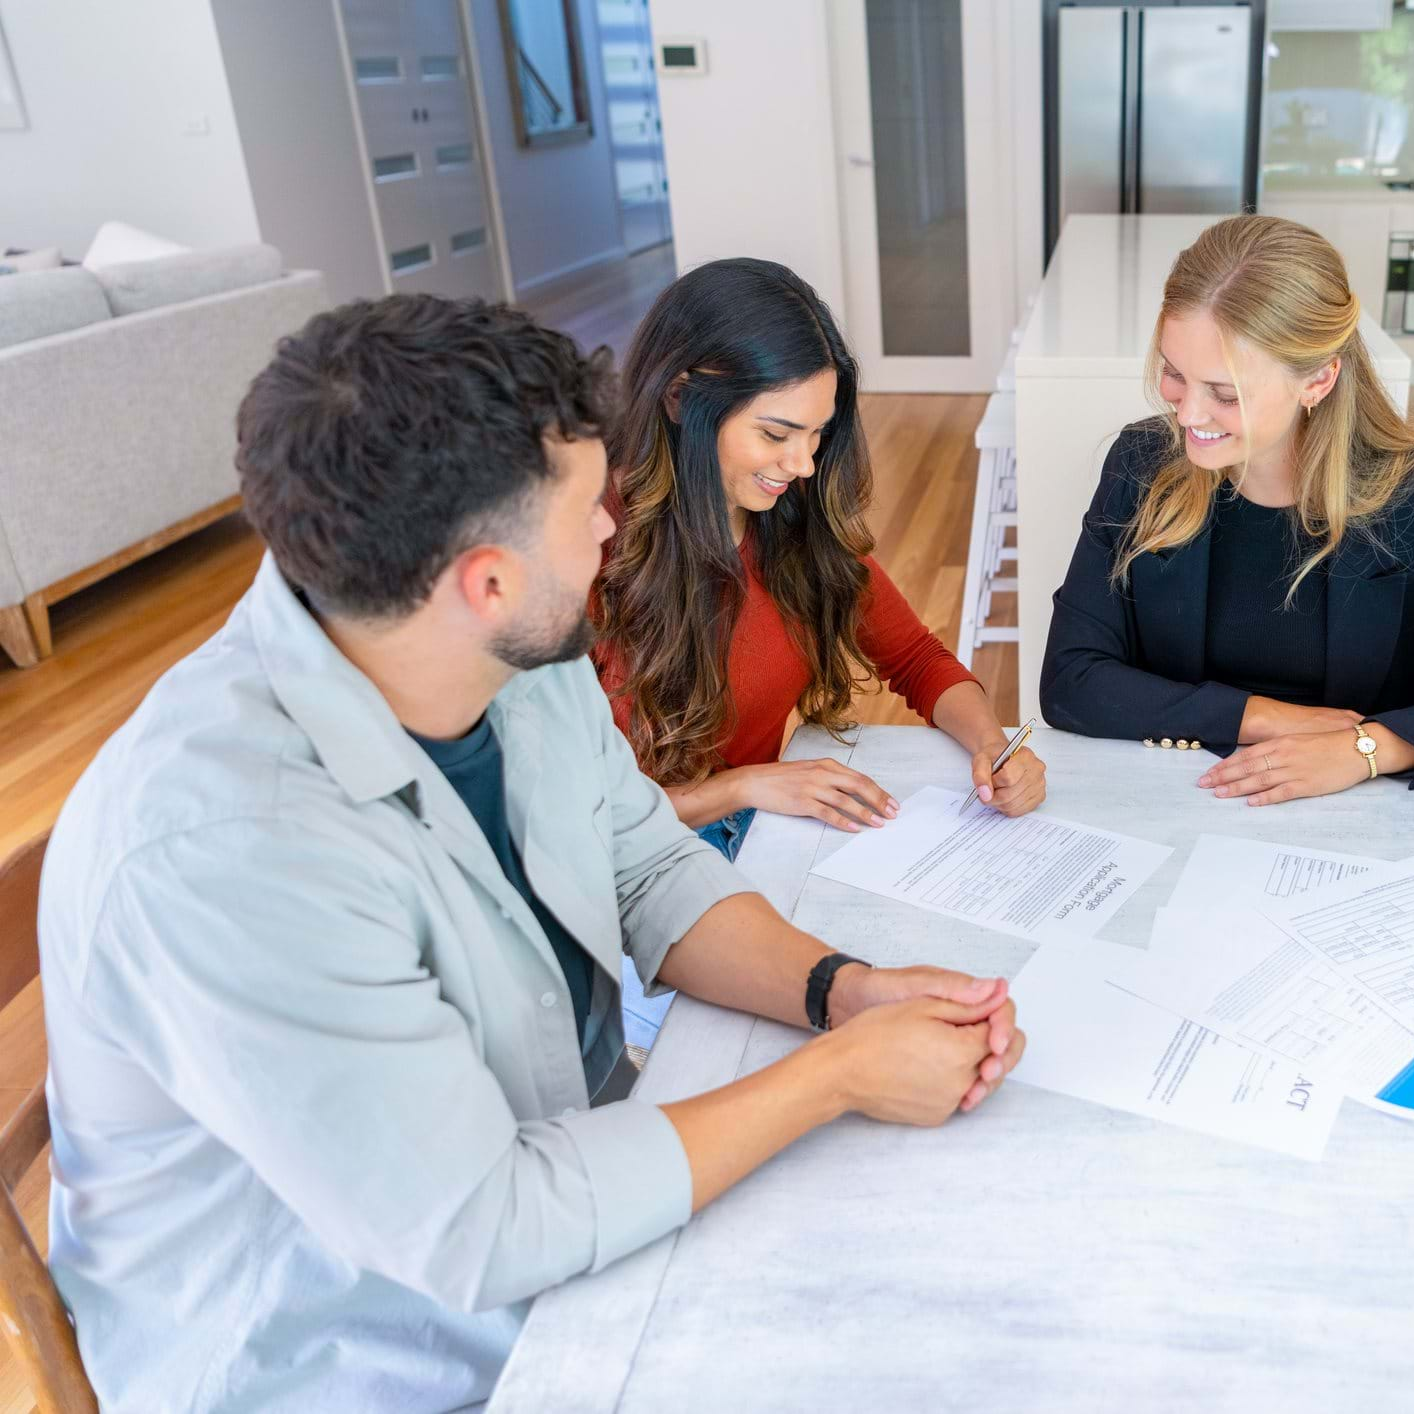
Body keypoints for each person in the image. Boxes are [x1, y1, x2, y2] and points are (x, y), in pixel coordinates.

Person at [37, 295, 1025, 1412]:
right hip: (351, 1347)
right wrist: (835, 1076)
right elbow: (483, 1230)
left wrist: (843, 991)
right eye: (586, 510)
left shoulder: (512, 649)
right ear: (487, 579)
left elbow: (647, 868)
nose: (614, 529)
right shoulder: (227, 851)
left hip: (560, 1175)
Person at [1040, 214, 1414, 801]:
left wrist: (1365, 749)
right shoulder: (1143, 463)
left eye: (1224, 393)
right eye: (1173, 374)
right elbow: (1070, 680)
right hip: (1189, 800)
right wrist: (1262, 717)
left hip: (1368, 822)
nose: (1187, 415)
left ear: (1317, 380)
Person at [595, 257, 1045, 867]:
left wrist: (993, 746)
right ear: (680, 400)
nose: (803, 464)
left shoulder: (788, 513)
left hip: (754, 837)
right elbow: (582, 813)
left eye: (817, 434)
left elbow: (916, 658)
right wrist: (743, 787)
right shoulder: (588, 546)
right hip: (634, 871)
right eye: (776, 435)